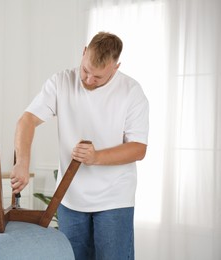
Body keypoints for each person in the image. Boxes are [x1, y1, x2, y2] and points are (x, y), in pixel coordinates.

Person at [10, 31, 149, 260]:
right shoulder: (61, 81)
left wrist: (97, 157)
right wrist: (22, 163)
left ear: (115, 67)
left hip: (115, 199)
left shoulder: (132, 91)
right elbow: (27, 120)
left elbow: (138, 148)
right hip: (69, 198)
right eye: (85, 70)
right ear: (84, 52)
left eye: (98, 77)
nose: (88, 80)